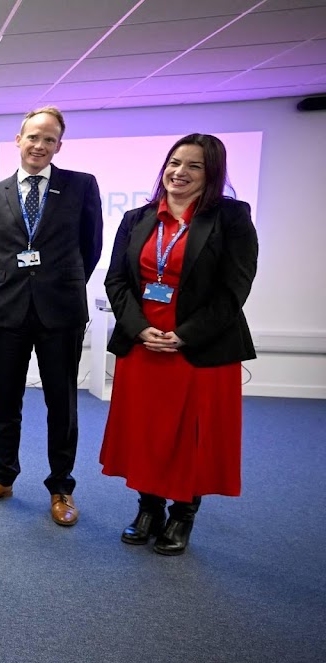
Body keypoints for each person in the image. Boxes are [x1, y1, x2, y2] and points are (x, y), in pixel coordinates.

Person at [100, 133, 258, 555]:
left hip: (197, 347)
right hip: (144, 344)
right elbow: (116, 280)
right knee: (147, 432)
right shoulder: (138, 218)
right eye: (174, 162)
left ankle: (183, 514)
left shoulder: (231, 217)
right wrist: (138, 328)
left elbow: (234, 288)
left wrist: (184, 335)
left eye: (193, 166)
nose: (179, 173)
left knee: (191, 435)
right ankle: (148, 507)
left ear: (213, 174)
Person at [0, 106, 102, 526]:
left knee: (61, 402)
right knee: (6, 400)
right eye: (33, 137)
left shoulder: (80, 186)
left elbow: (90, 247)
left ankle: (61, 486)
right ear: (18, 140)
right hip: (9, 310)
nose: (40, 145)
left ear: (59, 145)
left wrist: (56, 283)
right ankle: (2, 475)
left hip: (61, 311)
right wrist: (16, 283)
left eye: (49, 139)